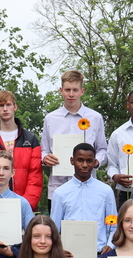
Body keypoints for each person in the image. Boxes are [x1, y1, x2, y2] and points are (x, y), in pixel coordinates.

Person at [41, 70, 107, 202]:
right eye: (67, 90)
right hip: (58, 188)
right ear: (61, 90)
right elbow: (44, 150)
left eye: (75, 90)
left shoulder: (95, 118)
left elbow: (103, 149)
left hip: (88, 188)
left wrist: (96, 161)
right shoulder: (50, 119)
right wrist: (45, 158)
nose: (71, 94)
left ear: (82, 91)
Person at [0, 90, 43, 211]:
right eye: (1, 105)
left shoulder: (30, 139)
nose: (5, 109)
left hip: (24, 206)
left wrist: (25, 206)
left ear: (15, 107)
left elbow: (35, 177)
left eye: (8, 105)